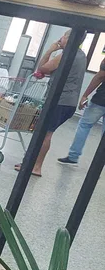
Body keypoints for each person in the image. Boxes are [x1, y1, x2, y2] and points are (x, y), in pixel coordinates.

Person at [14, 30, 86, 176]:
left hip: (59, 100)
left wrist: (50, 49)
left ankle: (35, 167)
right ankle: (31, 163)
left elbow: (43, 68)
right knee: (45, 132)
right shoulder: (81, 55)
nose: (61, 38)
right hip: (69, 102)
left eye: (64, 36)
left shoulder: (67, 54)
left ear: (71, 38)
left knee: (45, 134)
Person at [59, 59, 105, 167]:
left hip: (101, 100)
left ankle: (73, 157)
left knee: (84, 125)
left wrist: (85, 95)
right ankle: (99, 165)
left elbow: (100, 76)